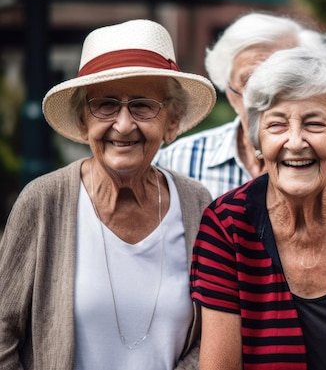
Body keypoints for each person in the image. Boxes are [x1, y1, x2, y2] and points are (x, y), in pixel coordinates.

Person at [0, 19, 216, 370]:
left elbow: (212, 332)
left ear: (172, 121)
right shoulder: (43, 201)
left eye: (143, 106)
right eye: (106, 105)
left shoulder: (197, 204)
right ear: (84, 120)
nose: (124, 125)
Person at [190, 45, 326, 370]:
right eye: (277, 125)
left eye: (314, 124)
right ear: (257, 142)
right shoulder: (227, 224)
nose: (295, 142)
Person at [153, 12, 326, 198]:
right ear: (228, 90)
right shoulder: (176, 161)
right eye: (250, 82)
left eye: (286, 82)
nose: (263, 101)